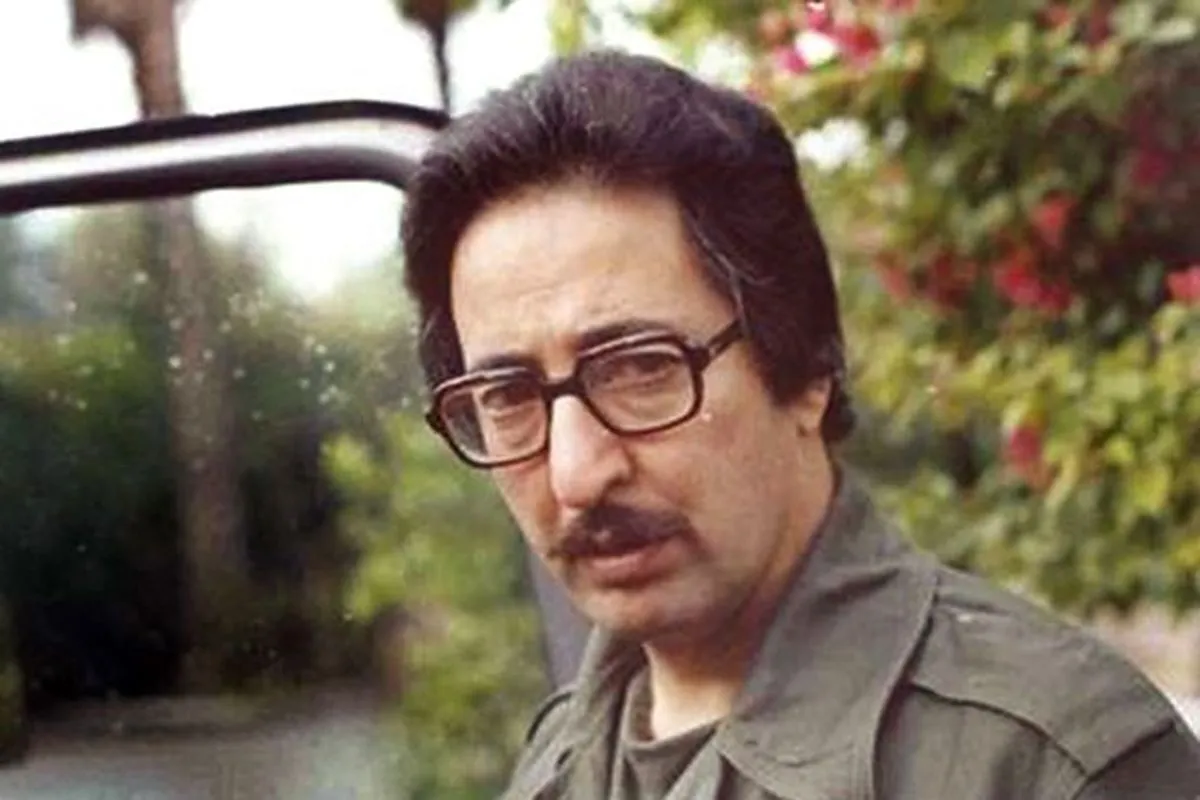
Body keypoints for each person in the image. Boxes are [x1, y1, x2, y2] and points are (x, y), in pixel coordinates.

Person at [400, 50, 1200, 799]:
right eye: (506, 396)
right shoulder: (557, 763)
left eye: (642, 369)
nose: (576, 473)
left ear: (807, 368)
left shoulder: (1048, 764)